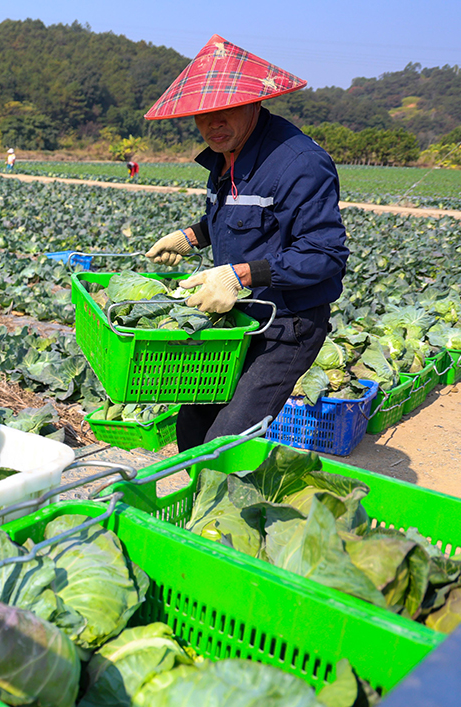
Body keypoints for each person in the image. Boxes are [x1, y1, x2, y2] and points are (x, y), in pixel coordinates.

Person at [141, 34, 347, 452]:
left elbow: (325, 255)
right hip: (238, 319)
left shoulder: (300, 163)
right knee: (193, 421)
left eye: (226, 110)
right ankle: (199, 510)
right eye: (203, 115)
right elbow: (241, 219)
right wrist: (192, 236)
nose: (212, 124)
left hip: (288, 325)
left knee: (226, 440)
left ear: (253, 102)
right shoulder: (226, 154)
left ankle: (227, 512)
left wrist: (240, 275)